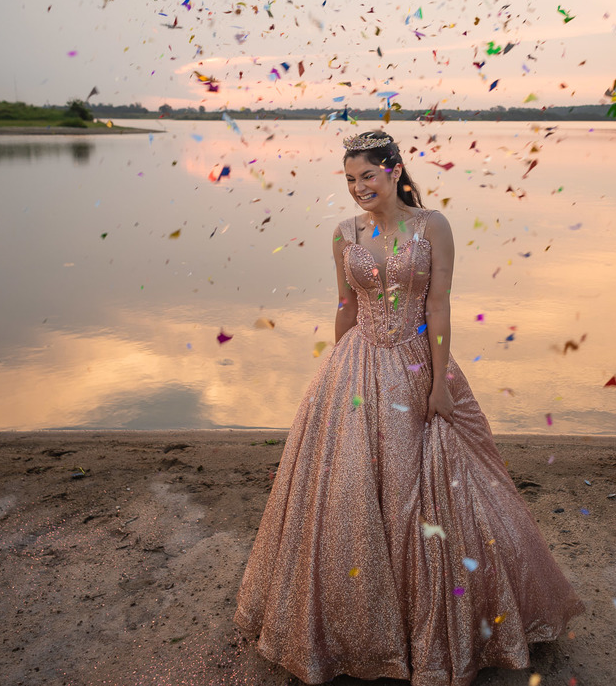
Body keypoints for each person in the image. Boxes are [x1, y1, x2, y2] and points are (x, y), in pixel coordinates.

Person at [234, 130, 584, 686]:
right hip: (357, 365)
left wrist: (440, 382)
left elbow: (439, 304)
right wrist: (330, 372)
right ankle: (356, 628)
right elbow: (346, 307)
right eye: (350, 179)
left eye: (367, 176)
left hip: (418, 362)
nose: (358, 188)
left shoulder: (432, 227)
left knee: (432, 488)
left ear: (394, 171)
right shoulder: (344, 233)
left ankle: (441, 626)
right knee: (349, 489)